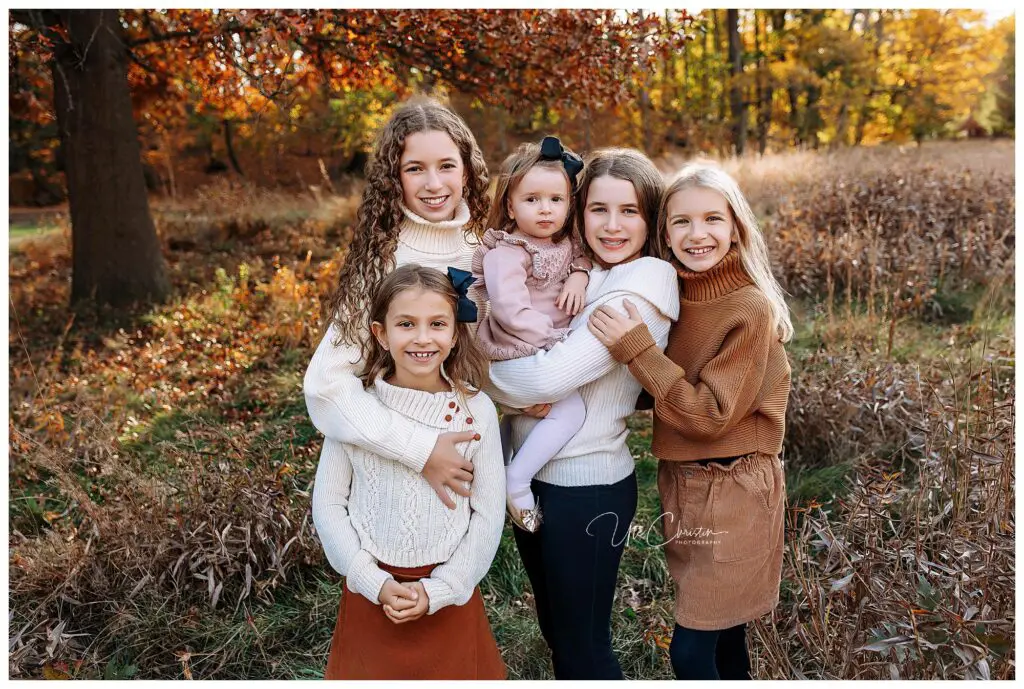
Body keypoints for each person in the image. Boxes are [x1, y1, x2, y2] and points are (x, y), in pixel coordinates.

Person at [588, 160, 792, 680]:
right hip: (682, 482)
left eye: (712, 220)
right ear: (663, 232)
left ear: (736, 228)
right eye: (680, 222)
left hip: (736, 485)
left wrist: (636, 349)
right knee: (724, 639)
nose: (696, 234)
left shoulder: (748, 308)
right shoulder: (672, 295)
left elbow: (707, 414)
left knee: (692, 648)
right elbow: (657, 391)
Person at [485, 148, 680, 680]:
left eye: (630, 211)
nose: (612, 226)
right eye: (598, 209)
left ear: (651, 218)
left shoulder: (647, 280)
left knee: (584, 650)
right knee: (557, 634)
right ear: (578, 210)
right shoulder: (582, 269)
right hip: (534, 476)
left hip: (587, 487)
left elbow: (548, 378)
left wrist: (488, 378)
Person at [313, 265, 506, 680]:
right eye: (406, 324)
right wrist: (370, 579)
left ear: (455, 333)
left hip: (447, 593)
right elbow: (329, 506)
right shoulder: (357, 412)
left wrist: (441, 588)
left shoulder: (477, 413)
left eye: (437, 324)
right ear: (381, 334)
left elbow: (488, 516)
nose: (422, 338)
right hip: (372, 590)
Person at [304, 97, 491, 511]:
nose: (434, 184)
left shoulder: (486, 249)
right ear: (394, 178)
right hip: (389, 456)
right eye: (414, 169)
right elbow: (325, 384)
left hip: (470, 449)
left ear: (467, 169)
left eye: (446, 166)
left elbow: (490, 356)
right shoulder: (384, 258)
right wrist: (420, 449)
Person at [470, 135, 592, 531]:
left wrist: (578, 275)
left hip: (543, 342)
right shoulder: (507, 251)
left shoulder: (566, 243)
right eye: (532, 199)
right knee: (572, 410)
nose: (545, 209)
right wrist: (555, 341)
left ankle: (503, 447)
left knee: (542, 413)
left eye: (556, 200)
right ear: (509, 205)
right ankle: (517, 479)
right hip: (520, 343)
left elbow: (580, 257)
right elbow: (510, 309)